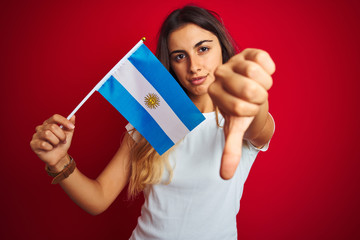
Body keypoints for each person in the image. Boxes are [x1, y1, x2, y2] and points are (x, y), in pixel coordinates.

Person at [30, 5, 275, 240]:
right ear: (171, 64)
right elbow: (99, 198)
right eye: (180, 56)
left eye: (203, 49)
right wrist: (59, 161)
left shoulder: (241, 120)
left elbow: (257, 120)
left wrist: (255, 96)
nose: (194, 66)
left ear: (222, 48)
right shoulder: (155, 118)